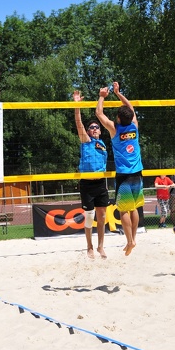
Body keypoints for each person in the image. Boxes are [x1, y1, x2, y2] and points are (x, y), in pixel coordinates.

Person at [96, 82, 144, 256]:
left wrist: (102, 95)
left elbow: (99, 114)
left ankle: (130, 240)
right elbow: (130, 107)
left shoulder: (114, 130)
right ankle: (134, 239)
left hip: (124, 175)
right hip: (137, 172)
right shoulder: (134, 126)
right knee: (135, 209)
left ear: (117, 118)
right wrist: (118, 93)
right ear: (130, 118)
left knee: (124, 210)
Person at [73, 90, 109, 259]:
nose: (94, 128)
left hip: (101, 183)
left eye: (97, 127)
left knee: (102, 215)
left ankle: (101, 246)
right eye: (91, 127)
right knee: (89, 217)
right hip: (87, 184)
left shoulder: (103, 144)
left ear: (100, 131)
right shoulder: (86, 141)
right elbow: (78, 122)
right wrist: (77, 105)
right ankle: (89, 247)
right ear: (88, 131)